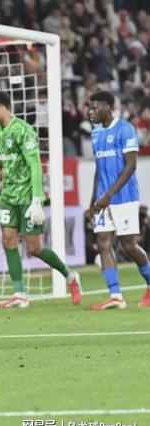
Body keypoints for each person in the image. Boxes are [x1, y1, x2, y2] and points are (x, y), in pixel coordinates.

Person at [0, 91, 82, 308]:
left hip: (28, 196)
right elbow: (8, 164)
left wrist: (37, 199)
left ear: (3, 107)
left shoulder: (24, 130)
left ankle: (70, 276)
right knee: (8, 241)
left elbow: (35, 165)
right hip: (8, 196)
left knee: (35, 248)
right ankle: (19, 293)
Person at [87, 90, 150, 309]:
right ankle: (115, 296)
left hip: (124, 197)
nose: (90, 111)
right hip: (103, 200)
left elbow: (131, 166)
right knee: (103, 242)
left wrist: (108, 195)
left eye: (94, 107)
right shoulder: (95, 133)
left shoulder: (125, 129)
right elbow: (98, 169)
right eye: (89, 107)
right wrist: (93, 201)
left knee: (128, 245)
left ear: (107, 107)